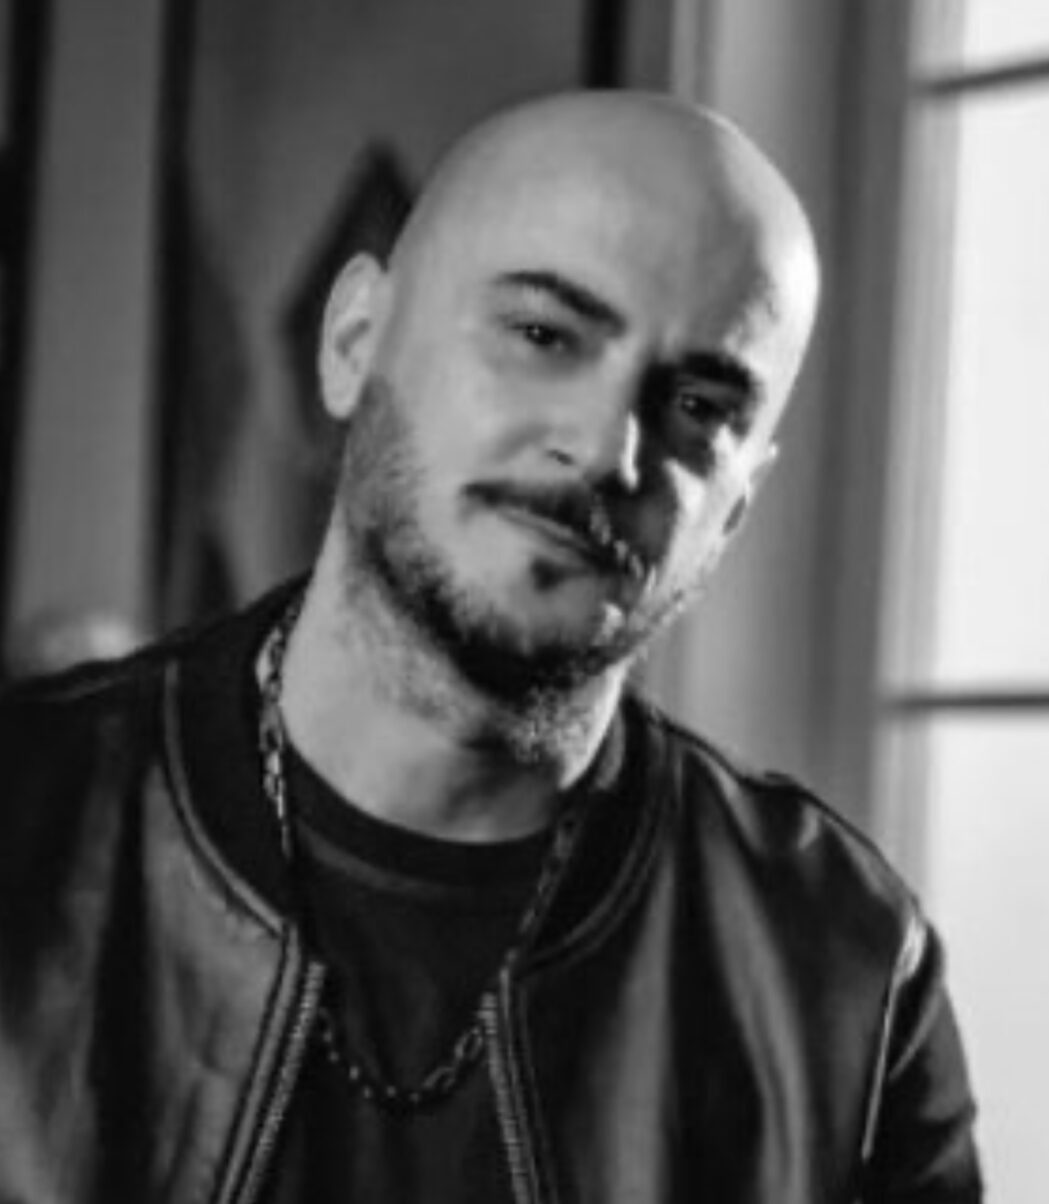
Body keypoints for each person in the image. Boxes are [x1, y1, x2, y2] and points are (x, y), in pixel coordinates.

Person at [0, 90, 981, 1202]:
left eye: (701, 406)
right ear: (353, 342)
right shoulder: (29, 823)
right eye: (544, 336)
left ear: (736, 509)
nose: (606, 448)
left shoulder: (846, 978)